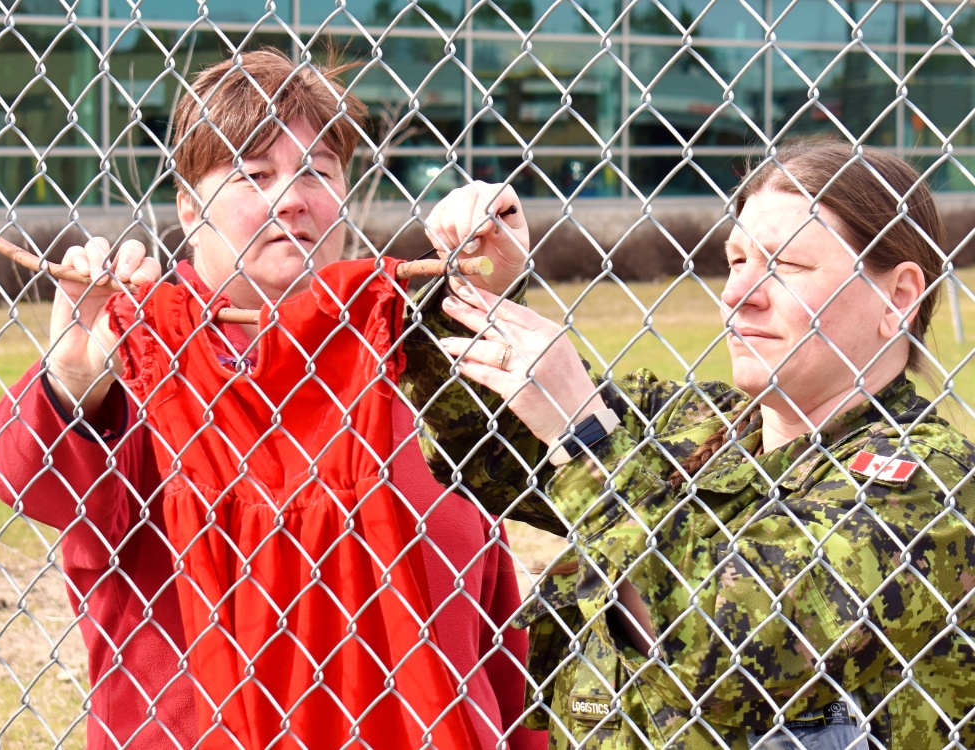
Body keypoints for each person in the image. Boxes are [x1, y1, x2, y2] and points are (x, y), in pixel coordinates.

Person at [0, 48, 545, 750]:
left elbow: (498, 650)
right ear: (189, 207)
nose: (294, 198)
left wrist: (487, 292)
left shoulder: (414, 371)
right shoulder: (143, 362)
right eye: (253, 174)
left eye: (318, 170)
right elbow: (30, 480)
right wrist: (73, 382)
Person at [407, 141, 975, 748]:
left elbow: (722, 652)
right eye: (735, 262)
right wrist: (487, 280)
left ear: (899, 296)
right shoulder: (693, 422)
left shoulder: (931, 484)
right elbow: (481, 439)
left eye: (785, 264)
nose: (737, 295)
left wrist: (585, 436)